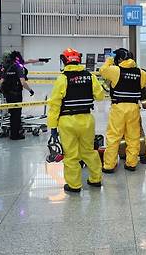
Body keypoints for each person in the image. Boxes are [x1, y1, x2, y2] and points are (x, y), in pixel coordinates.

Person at [48, 48, 105, 193]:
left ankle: (74, 185)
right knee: (89, 151)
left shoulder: (63, 78)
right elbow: (99, 96)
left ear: (64, 60)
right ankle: (95, 179)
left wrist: (53, 127)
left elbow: (55, 104)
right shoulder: (89, 76)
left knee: (71, 155)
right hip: (87, 120)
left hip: (67, 122)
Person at [100, 48, 146, 173]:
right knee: (133, 137)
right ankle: (131, 163)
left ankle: (109, 165)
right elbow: (143, 86)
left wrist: (109, 60)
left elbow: (103, 71)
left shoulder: (116, 70)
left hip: (119, 108)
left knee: (113, 137)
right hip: (133, 108)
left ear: (120, 59)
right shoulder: (141, 73)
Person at [0, 51, 35, 140]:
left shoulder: (2, 66)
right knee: (16, 114)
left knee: (12, 113)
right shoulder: (18, 66)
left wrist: (4, 86)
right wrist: (30, 90)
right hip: (16, 94)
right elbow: (23, 82)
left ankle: (13, 131)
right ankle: (15, 135)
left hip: (7, 93)